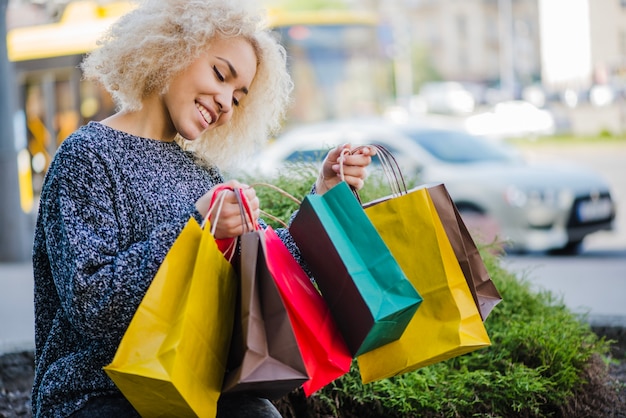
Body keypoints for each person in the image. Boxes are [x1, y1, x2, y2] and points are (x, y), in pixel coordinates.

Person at [31, 0, 375, 417]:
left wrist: (326, 195)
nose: (227, 102)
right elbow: (92, 306)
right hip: (97, 392)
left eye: (239, 96)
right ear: (172, 49)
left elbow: (263, 270)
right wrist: (196, 229)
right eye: (220, 74)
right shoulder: (86, 156)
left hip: (191, 382)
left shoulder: (201, 175)